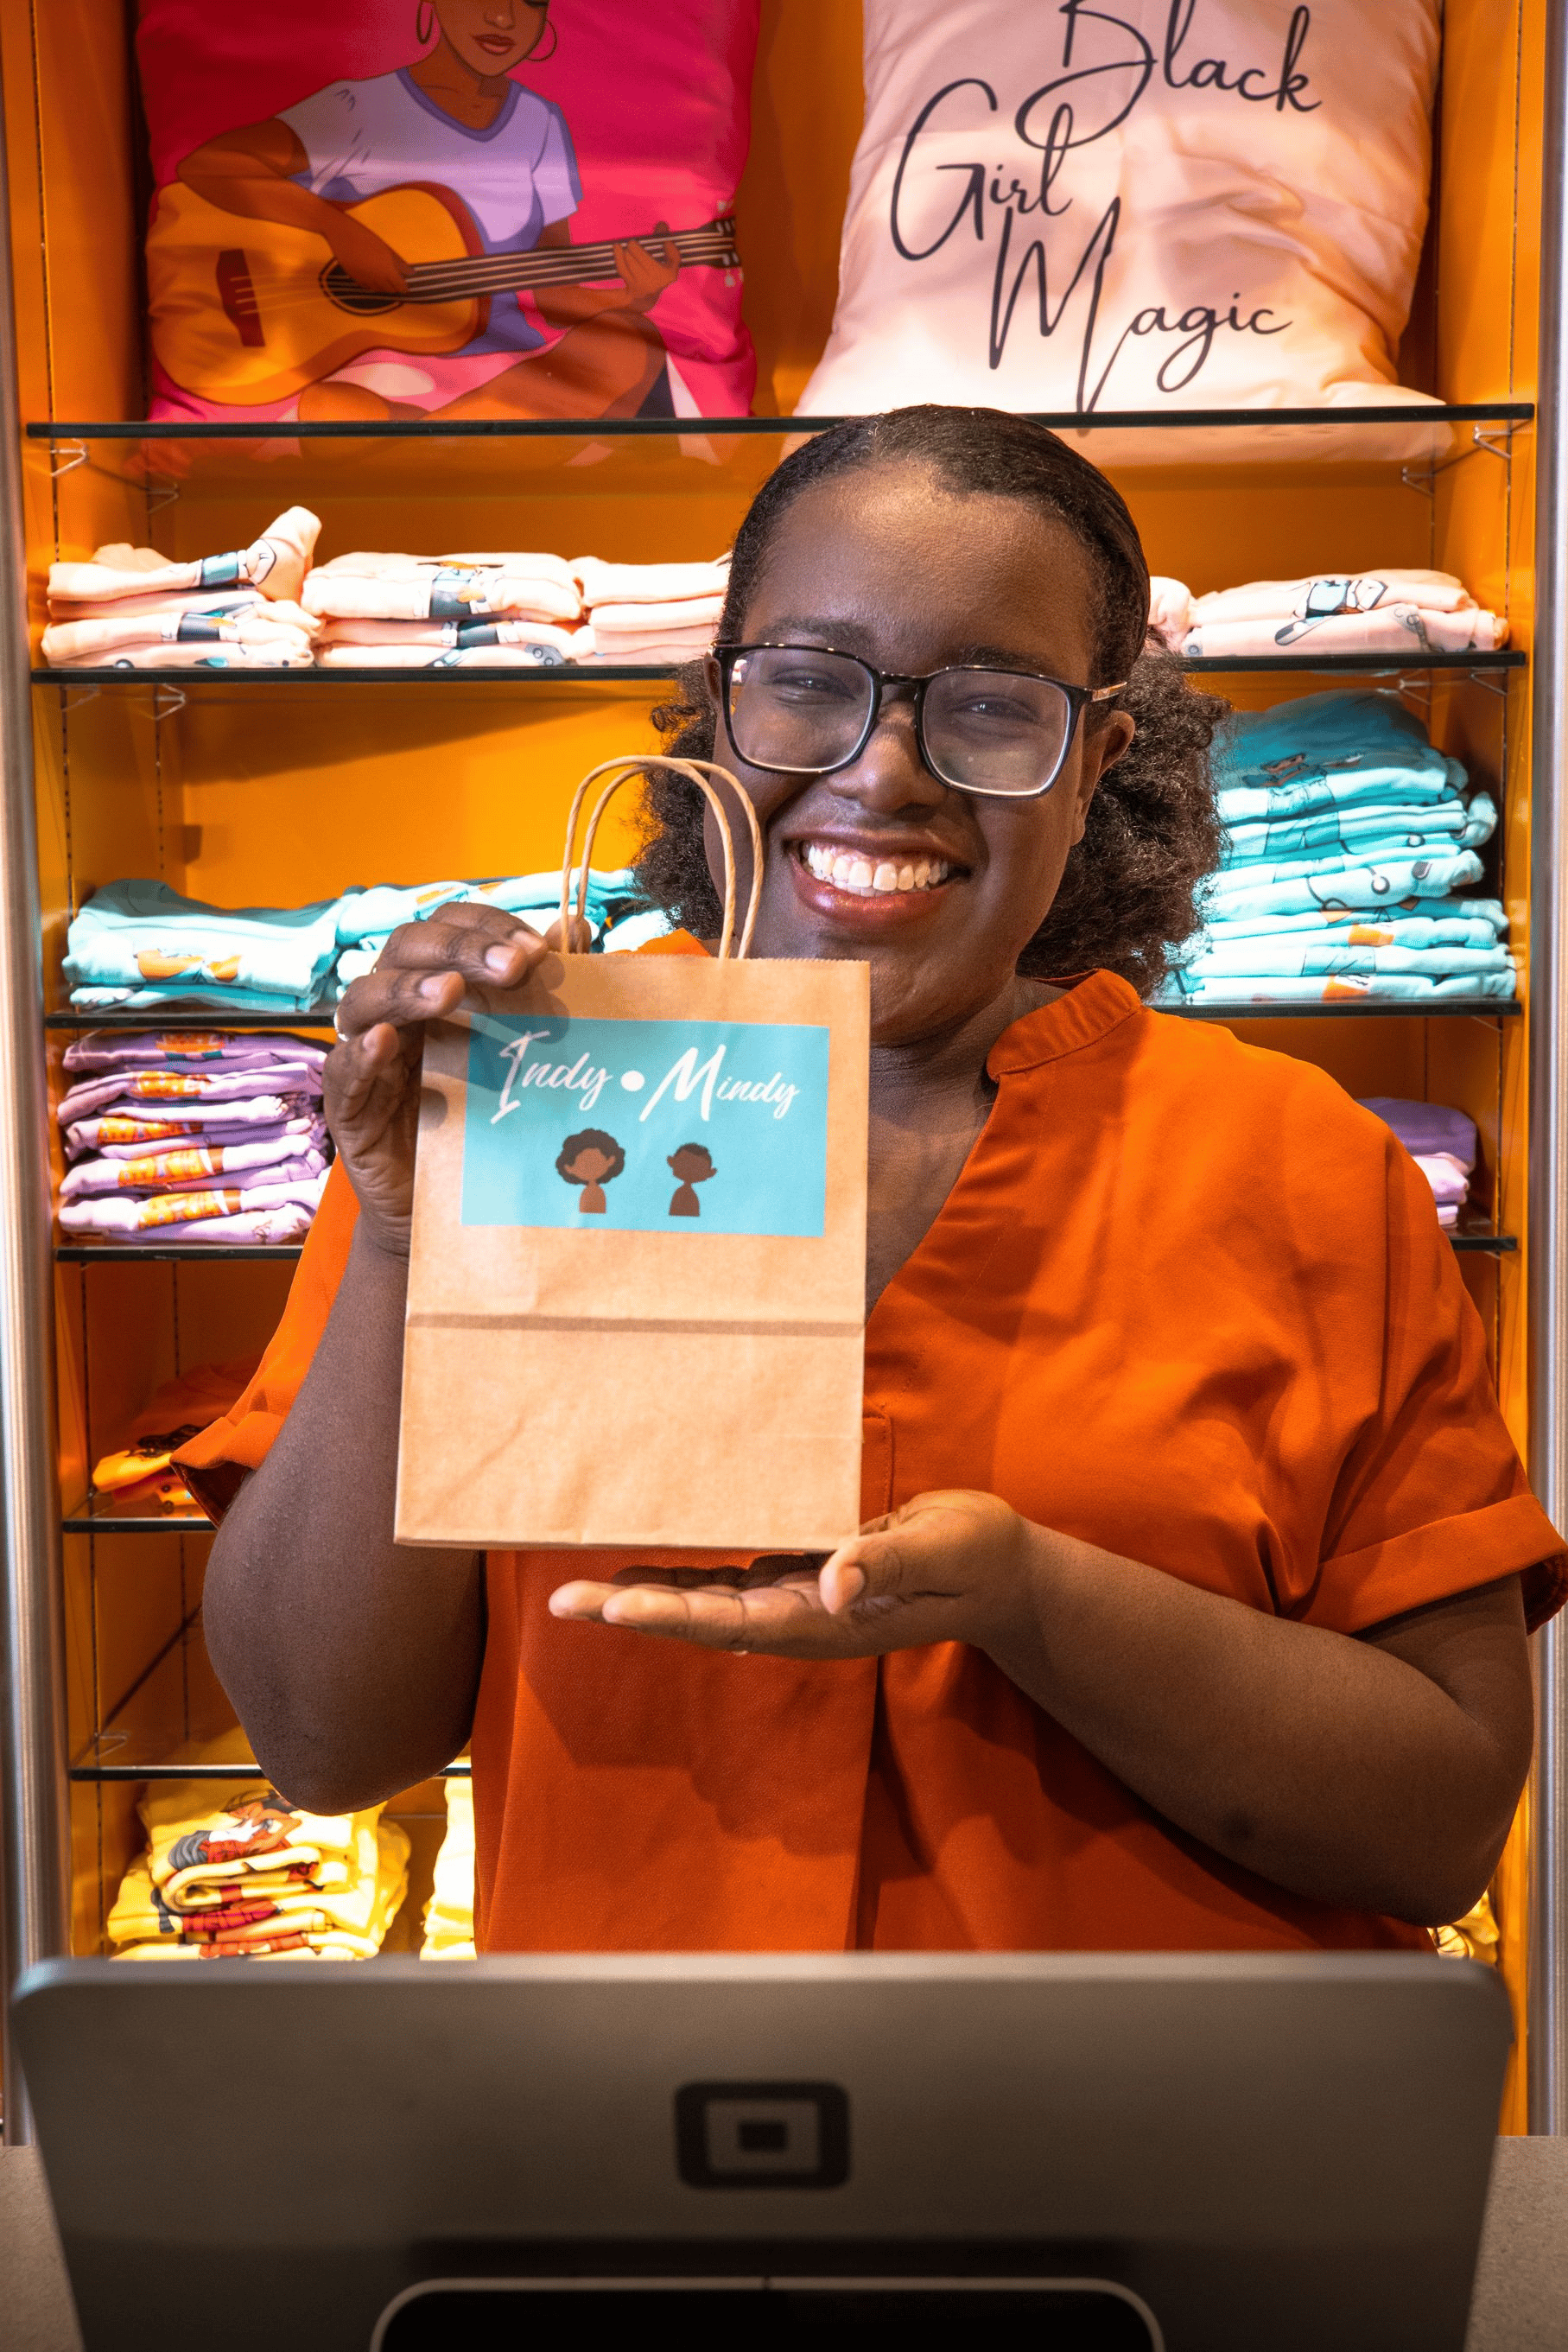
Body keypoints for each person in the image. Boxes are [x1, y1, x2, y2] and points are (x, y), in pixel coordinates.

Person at [188, 406, 1565, 1956]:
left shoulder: (1300, 1167)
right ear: (718, 705)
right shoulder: (522, 1112)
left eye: (992, 704)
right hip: (644, 2151)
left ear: (1098, 757)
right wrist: (395, 1239)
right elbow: (324, 1742)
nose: (883, 769)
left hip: (1164, 2168)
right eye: (809, 682)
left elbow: (1442, 1822)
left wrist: (1030, 1601)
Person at [174, 0, 679, 421]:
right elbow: (215, 165)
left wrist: (634, 297)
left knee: (630, 343)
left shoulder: (540, 122)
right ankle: (460, 441)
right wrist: (340, 231)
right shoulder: (357, 107)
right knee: (334, 409)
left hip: (510, 371)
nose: (504, 19)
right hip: (370, 366)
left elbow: (549, 292)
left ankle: (435, 438)